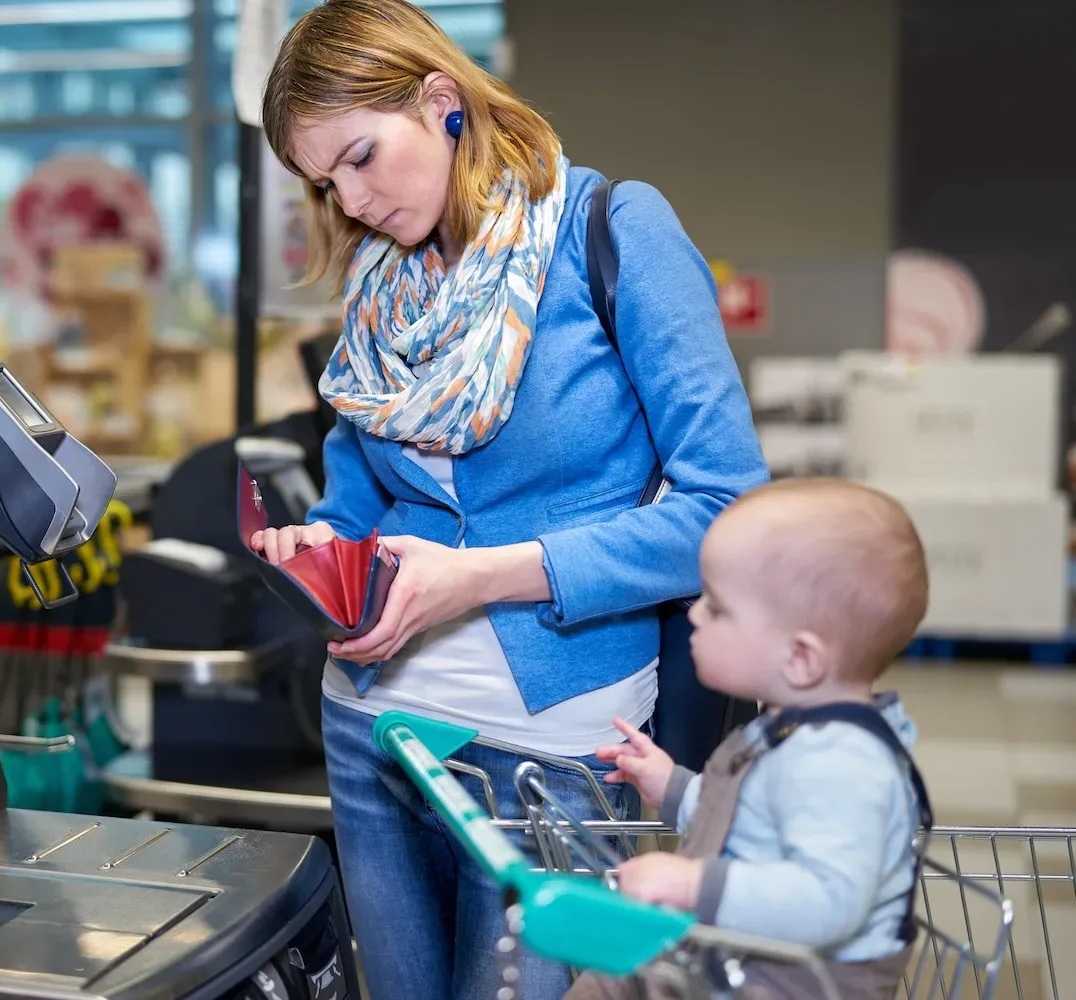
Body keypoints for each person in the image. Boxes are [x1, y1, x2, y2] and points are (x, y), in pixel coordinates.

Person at [251, 2, 768, 997]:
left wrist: (483, 578)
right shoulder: (379, 283)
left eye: (362, 157)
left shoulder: (608, 232)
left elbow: (726, 508)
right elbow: (358, 488)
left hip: (555, 753)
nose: (351, 202)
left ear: (441, 99)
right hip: (374, 724)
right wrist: (322, 545)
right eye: (326, 183)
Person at [567, 479, 932, 1000]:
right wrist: (674, 788)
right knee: (609, 980)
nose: (694, 614)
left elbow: (829, 902)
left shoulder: (840, 761)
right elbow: (751, 824)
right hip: (740, 960)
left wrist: (689, 885)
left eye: (717, 607)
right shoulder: (789, 729)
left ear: (800, 659)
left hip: (793, 982)